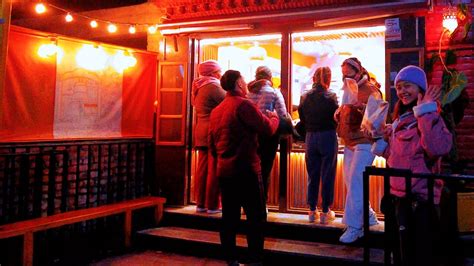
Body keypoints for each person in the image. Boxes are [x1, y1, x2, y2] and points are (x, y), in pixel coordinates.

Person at [374, 66, 452, 266]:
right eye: (399, 87)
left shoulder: (431, 116)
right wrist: (382, 141)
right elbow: (396, 157)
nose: (402, 91)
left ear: (420, 89)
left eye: (407, 86)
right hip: (399, 198)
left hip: (421, 200)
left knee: (420, 255)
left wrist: (425, 112)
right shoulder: (400, 120)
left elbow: (437, 148)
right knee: (402, 254)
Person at [208, 70, 279, 265]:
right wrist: (274, 118)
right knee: (255, 217)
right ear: (239, 84)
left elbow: (212, 146)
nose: (246, 82)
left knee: (229, 217)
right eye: (243, 80)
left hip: (225, 171)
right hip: (246, 170)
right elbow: (266, 128)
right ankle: (254, 259)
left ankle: (231, 260)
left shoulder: (217, 111)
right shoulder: (244, 105)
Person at [335, 57, 382, 243]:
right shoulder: (348, 89)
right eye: (344, 74)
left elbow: (377, 117)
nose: (346, 77)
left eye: (349, 74)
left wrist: (362, 108)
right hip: (349, 141)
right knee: (351, 181)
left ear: (358, 71)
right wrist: (339, 113)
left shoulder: (371, 90)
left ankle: (355, 227)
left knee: (355, 181)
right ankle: (369, 216)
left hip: (364, 141)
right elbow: (344, 112)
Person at [298, 67, 339, 224]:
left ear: (314, 78)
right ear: (328, 79)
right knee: (328, 174)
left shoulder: (304, 96)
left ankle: (312, 210)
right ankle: (325, 212)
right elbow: (336, 117)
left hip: (310, 136)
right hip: (327, 135)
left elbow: (302, 118)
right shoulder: (332, 96)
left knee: (312, 174)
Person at [247, 66, 288, 203]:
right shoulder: (274, 92)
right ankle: (261, 203)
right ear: (269, 77)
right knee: (264, 169)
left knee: (251, 169)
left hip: (250, 136)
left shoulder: (248, 92)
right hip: (268, 135)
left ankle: (249, 205)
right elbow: (282, 115)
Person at [191, 60, 226, 214]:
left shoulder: (199, 85)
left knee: (202, 169)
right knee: (213, 169)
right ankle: (212, 205)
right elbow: (229, 101)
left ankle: (200, 203)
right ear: (213, 73)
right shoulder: (214, 86)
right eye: (219, 70)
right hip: (212, 131)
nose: (221, 73)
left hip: (200, 130)